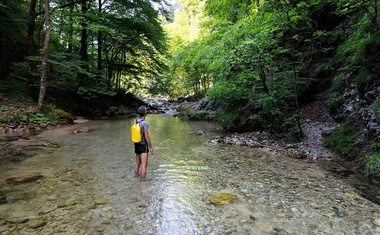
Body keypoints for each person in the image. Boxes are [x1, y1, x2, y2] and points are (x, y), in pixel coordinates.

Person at [134, 105, 154, 179]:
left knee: (137, 163)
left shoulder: (135, 121)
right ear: (145, 112)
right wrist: (151, 147)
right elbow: (146, 136)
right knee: (144, 164)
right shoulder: (145, 123)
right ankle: (142, 182)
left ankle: (135, 177)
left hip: (136, 143)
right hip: (143, 145)